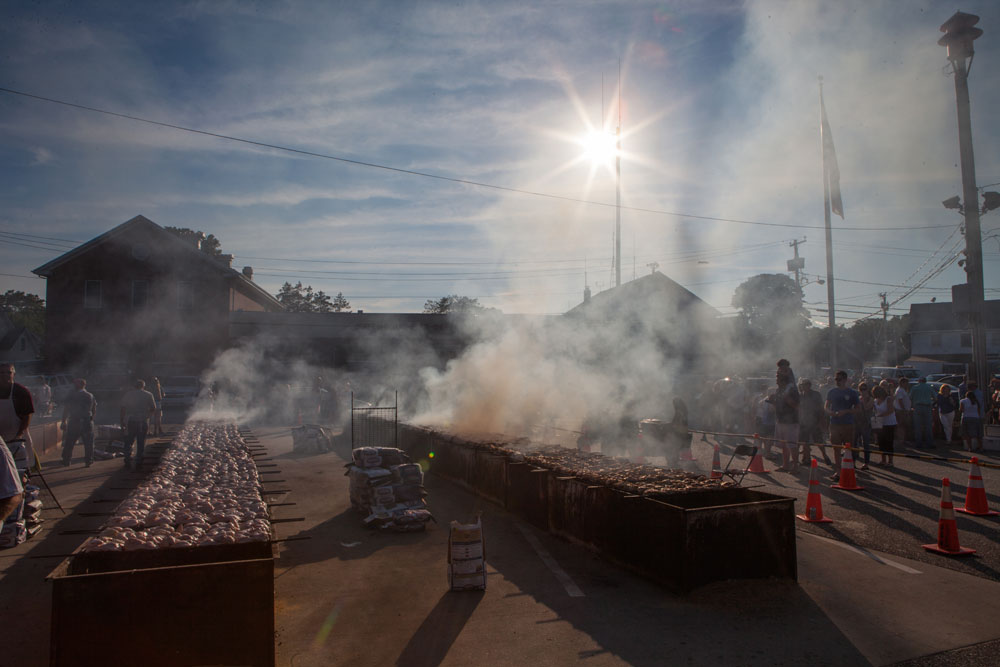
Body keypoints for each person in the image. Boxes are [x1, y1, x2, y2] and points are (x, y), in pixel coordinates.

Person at [0, 363, 31, 520]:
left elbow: (27, 416)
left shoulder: (20, 392)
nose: (6, 375)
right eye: (2, 372)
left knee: (19, 481)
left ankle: (18, 518)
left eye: (9, 372)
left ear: (14, 374)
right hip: (1, 439)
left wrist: (18, 434)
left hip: (15, 441)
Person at [825, 370, 860, 481]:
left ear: (845, 380)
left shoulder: (852, 393)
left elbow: (857, 409)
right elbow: (826, 406)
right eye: (836, 379)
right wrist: (830, 412)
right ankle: (838, 471)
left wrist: (846, 411)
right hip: (834, 423)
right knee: (836, 448)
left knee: (848, 448)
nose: (837, 381)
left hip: (848, 424)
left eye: (839, 379)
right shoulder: (832, 391)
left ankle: (849, 470)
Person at [769, 360, 800, 472]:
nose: (776, 380)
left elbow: (797, 405)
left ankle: (796, 465)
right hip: (780, 419)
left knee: (792, 444)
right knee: (783, 444)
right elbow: (778, 403)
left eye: (778, 378)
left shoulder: (791, 388)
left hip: (791, 421)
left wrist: (787, 399)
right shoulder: (779, 389)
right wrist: (773, 402)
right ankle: (785, 465)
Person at [120, 379, 156, 471]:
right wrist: (147, 416)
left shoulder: (128, 394)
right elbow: (153, 408)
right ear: (143, 386)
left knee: (129, 440)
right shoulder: (148, 394)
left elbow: (123, 408)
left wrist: (122, 421)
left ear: (134, 386)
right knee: (141, 441)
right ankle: (139, 460)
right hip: (142, 421)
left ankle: (127, 458)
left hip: (130, 420)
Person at [60, 378, 96, 467]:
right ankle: (88, 461)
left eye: (75, 384)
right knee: (88, 443)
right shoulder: (90, 395)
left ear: (80, 385)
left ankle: (66, 460)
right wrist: (91, 419)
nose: (74, 386)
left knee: (69, 442)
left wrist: (63, 421)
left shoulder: (71, 395)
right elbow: (94, 409)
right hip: (87, 421)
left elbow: (66, 409)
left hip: (74, 421)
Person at [797, 379, 830, 466]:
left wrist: (821, 420)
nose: (803, 386)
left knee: (818, 441)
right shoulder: (800, 395)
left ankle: (825, 455)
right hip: (804, 422)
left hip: (815, 421)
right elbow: (799, 409)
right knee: (804, 441)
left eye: (805, 385)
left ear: (809, 385)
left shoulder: (816, 394)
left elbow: (820, 407)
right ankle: (807, 458)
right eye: (802, 385)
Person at [909, 377, 936, 449]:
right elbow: (935, 397)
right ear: (925, 381)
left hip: (917, 407)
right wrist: (931, 403)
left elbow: (910, 397)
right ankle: (929, 443)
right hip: (927, 407)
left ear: (919, 381)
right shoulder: (929, 387)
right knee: (928, 426)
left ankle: (918, 443)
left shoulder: (914, 387)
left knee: (918, 426)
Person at [873, 385, 897, 467]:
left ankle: (890, 461)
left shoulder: (888, 399)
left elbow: (891, 410)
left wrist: (880, 415)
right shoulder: (875, 401)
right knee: (881, 442)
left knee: (889, 442)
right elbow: (875, 411)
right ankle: (883, 460)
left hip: (889, 423)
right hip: (880, 423)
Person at [855, 382, 874, 470]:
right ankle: (853, 461)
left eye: (864, 389)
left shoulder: (870, 399)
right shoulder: (858, 398)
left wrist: (862, 401)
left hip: (866, 423)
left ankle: (866, 463)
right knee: (855, 443)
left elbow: (867, 407)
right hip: (857, 422)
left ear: (867, 390)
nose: (863, 391)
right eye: (861, 389)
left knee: (866, 443)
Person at [960, 388, 984, 453]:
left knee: (967, 434)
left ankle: (970, 448)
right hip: (976, 418)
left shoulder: (963, 401)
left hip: (966, 418)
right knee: (978, 434)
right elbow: (978, 411)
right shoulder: (976, 402)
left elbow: (961, 410)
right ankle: (981, 447)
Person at [893, 378, 912, 448]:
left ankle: (903, 439)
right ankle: (900, 440)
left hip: (903, 410)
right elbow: (900, 401)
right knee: (901, 425)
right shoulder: (900, 390)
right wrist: (904, 409)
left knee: (904, 426)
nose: (907, 384)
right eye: (906, 383)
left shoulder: (903, 390)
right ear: (902, 383)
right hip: (901, 411)